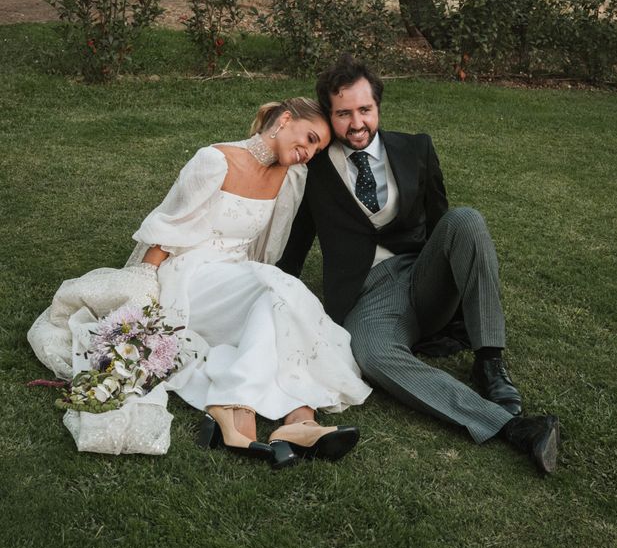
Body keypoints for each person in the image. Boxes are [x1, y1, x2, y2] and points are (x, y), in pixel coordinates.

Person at [28, 97, 371, 464]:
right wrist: (144, 282)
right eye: (309, 137)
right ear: (285, 120)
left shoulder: (291, 178)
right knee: (279, 289)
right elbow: (167, 230)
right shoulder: (215, 160)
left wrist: (248, 290)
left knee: (275, 304)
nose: (310, 151)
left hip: (236, 277)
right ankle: (254, 409)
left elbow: (262, 250)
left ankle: (295, 420)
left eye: (318, 146)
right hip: (188, 274)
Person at [278, 57, 560, 475]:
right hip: (368, 297)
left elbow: (444, 225)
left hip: (422, 276)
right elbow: (296, 245)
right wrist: (270, 295)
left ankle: (490, 361)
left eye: (365, 110)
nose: (356, 123)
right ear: (330, 115)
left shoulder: (416, 148)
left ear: (378, 107)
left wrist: (457, 306)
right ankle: (511, 427)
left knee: (465, 219)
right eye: (344, 114)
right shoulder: (313, 170)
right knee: (370, 353)